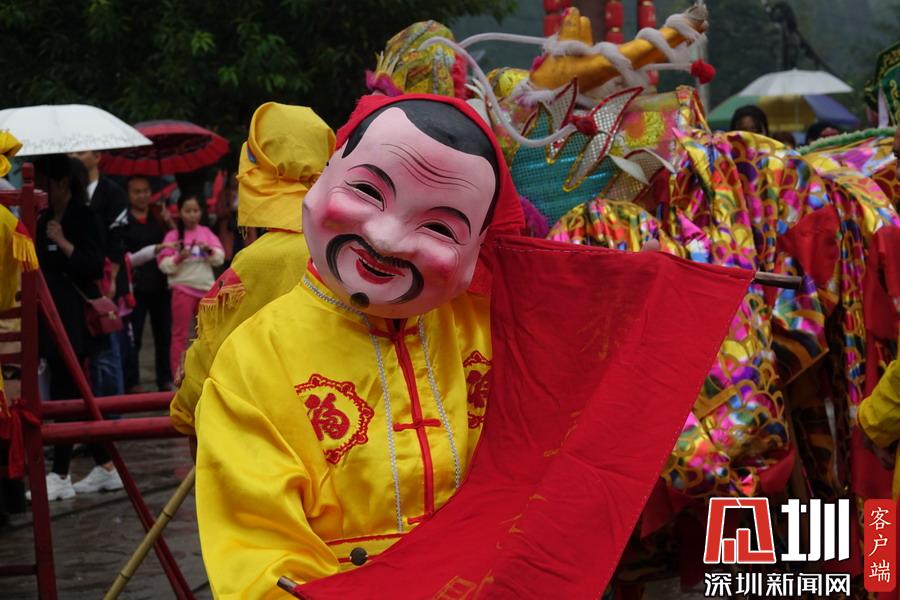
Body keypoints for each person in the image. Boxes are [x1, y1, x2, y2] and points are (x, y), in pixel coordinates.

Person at [194, 95, 524, 597]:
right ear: (324, 177)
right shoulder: (254, 359)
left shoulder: (494, 331)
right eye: (368, 191)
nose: (387, 238)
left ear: (478, 245)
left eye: (440, 227)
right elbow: (260, 556)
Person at [170, 103, 334, 439]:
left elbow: (212, 355)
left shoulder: (258, 261)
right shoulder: (344, 246)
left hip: (271, 433)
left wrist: (184, 408)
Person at [32, 155, 122, 500]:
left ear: (62, 183)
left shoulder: (84, 216)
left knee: (68, 392)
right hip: (50, 315)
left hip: (75, 320)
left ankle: (60, 473)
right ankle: (106, 466)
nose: (41, 189)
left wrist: (64, 242)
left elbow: (94, 265)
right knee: (73, 393)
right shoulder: (42, 219)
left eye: (45, 182)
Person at [70, 151, 129, 399]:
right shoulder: (74, 194)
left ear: (97, 156)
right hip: (82, 275)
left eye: (80, 152)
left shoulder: (113, 192)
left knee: (108, 343)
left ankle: (113, 406)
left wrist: (112, 278)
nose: (74, 156)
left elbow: (118, 239)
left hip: (106, 275)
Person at [157, 195, 224, 379]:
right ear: (179, 212)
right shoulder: (173, 236)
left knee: (206, 334)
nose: (192, 215)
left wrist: (208, 250)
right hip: (182, 289)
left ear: (201, 212)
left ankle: (206, 374)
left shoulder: (206, 233)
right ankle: (177, 375)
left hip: (205, 290)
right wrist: (179, 258)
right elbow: (163, 265)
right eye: (188, 211)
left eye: (195, 211)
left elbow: (220, 257)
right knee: (180, 334)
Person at [122, 176, 174, 392]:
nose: (141, 196)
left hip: (162, 284)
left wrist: (169, 222)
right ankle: (132, 381)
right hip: (137, 287)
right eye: (136, 192)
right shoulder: (124, 220)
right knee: (134, 336)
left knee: (164, 334)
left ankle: (165, 378)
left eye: (145, 191)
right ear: (129, 194)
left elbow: (174, 241)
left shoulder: (159, 215)